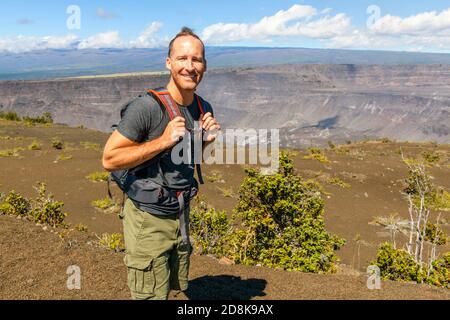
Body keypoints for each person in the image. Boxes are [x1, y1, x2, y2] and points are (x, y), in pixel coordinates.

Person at [102, 27, 220, 300]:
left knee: (172, 286)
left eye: (197, 60)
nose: (190, 67)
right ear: (169, 63)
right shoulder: (147, 107)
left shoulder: (202, 106)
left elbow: (188, 159)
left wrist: (206, 141)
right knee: (149, 293)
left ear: (204, 65)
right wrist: (163, 141)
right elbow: (109, 158)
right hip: (147, 217)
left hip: (179, 213)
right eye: (182, 59)